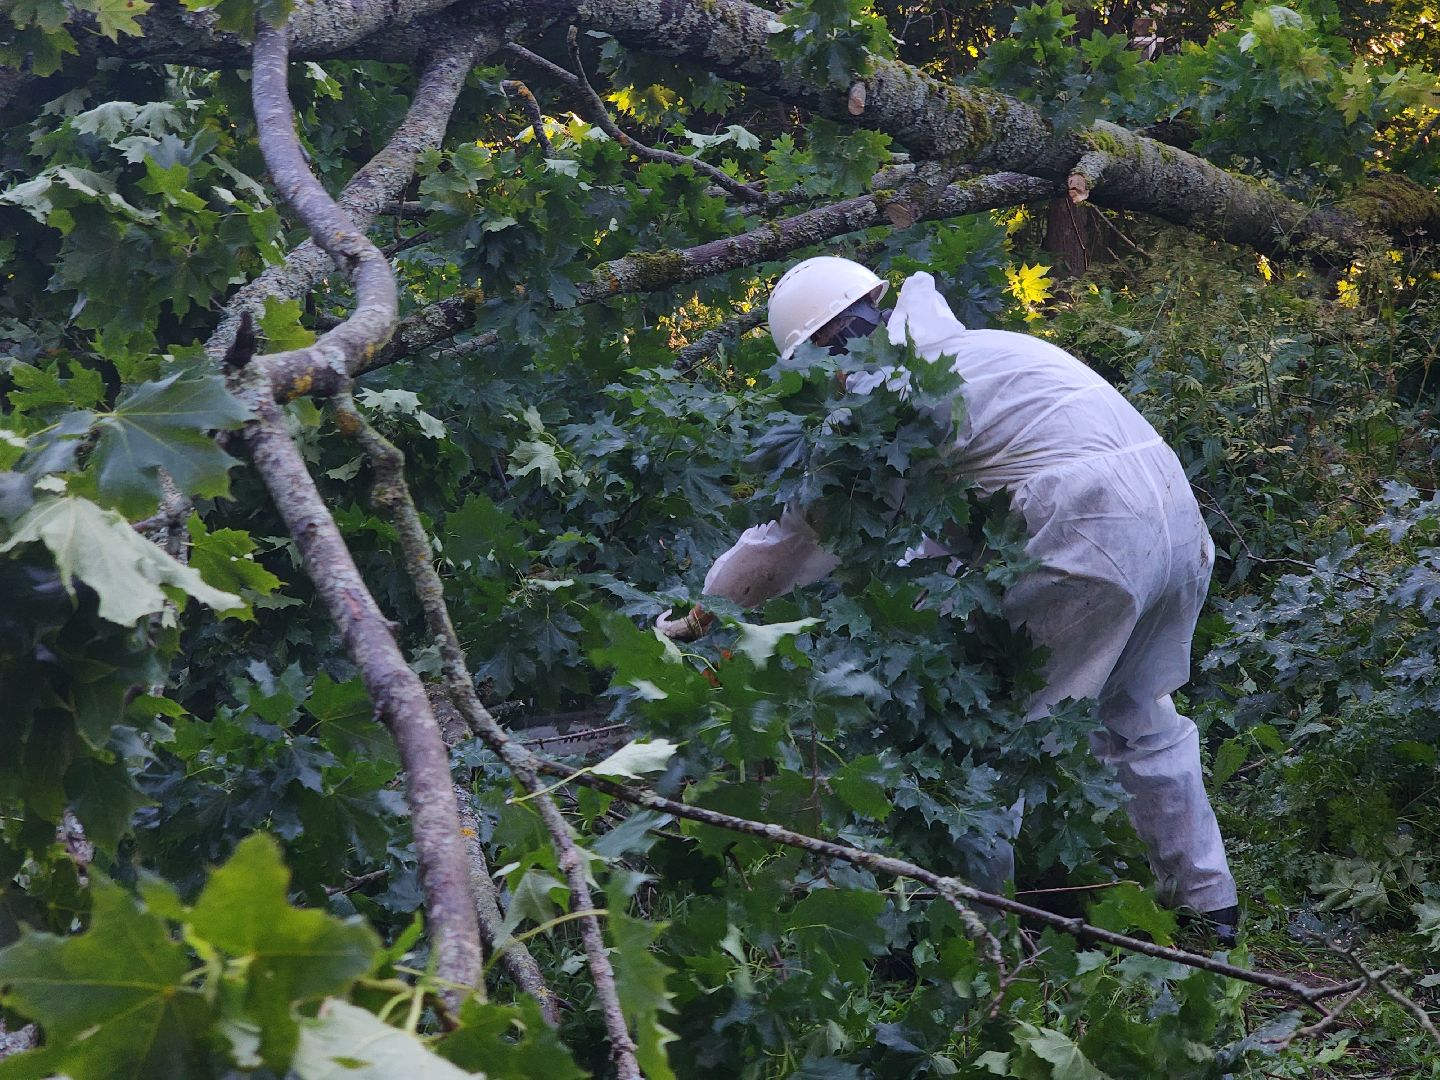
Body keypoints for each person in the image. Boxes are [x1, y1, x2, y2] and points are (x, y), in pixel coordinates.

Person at [659, 255, 1240, 942]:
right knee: (1139, 711)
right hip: (1173, 515)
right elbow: (952, 521)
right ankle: (1210, 907)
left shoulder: (885, 399)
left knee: (992, 732)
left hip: (1088, 524)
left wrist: (703, 615)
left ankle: (974, 938)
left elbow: (802, 535)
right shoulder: (975, 352)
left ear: (824, 351)